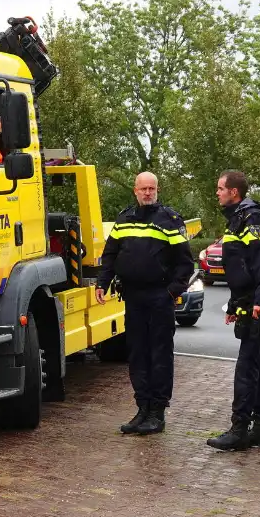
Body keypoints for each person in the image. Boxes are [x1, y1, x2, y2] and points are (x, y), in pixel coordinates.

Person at [95, 172, 194, 435]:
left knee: (159, 355)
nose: (148, 193)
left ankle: (157, 413)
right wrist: (102, 283)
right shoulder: (124, 218)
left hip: (160, 297)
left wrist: (171, 292)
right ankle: (142, 408)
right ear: (135, 191)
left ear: (157, 190)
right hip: (133, 297)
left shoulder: (170, 220)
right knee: (137, 354)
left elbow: (185, 262)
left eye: (152, 188)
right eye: (143, 189)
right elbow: (110, 255)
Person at [206, 170, 260, 452]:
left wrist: (259, 300)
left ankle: (239, 430)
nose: (218, 192)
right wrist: (236, 304)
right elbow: (239, 267)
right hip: (249, 300)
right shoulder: (238, 218)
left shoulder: (253, 218)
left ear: (234, 192)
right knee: (258, 363)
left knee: (246, 366)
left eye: (220, 188)